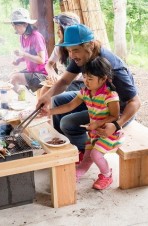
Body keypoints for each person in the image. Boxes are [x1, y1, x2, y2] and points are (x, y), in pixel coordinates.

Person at [36, 24, 141, 160]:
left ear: (90, 45)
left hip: (118, 111)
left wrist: (116, 125)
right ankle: (62, 146)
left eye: (75, 50)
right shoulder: (81, 56)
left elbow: (135, 102)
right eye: (69, 50)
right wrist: (46, 96)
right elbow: (64, 82)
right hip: (96, 98)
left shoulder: (112, 67)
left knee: (67, 122)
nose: (72, 55)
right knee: (57, 99)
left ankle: (82, 153)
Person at [47, 57, 124, 190]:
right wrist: (49, 111)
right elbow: (70, 106)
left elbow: (115, 116)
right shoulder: (85, 92)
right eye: (84, 77)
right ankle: (79, 171)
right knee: (88, 155)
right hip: (94, 132)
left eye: (90, 79)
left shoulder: (110, 96)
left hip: (109, 133)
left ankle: (107, 175)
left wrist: (98, 123)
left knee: (95, 154)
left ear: (103, 78)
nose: (86, 82)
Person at [40, 11, 83, 97]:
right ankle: (42, 109)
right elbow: (49, 64)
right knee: (45, 89)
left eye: (59, 29)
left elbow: (76, 75)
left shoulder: (80, 45)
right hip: (67, 79)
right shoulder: (60, 45)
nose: (57, 32)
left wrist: (59, 79)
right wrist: (52, 74)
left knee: (54, 95)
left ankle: (51, 109)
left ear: (67, 29)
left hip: (81, 83)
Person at [7, 8, 48, 92]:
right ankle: (22, 97)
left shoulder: (36, 37)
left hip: (42, 74)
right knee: (11, 76)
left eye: (16, 26)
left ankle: (22, 100)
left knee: (14, 78)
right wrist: (18, 60)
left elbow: (41, 60)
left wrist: (23, 54)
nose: (14, 28)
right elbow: (27, 54)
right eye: (13, 25)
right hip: (31, 71)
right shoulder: (22, 36)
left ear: (25, 24)